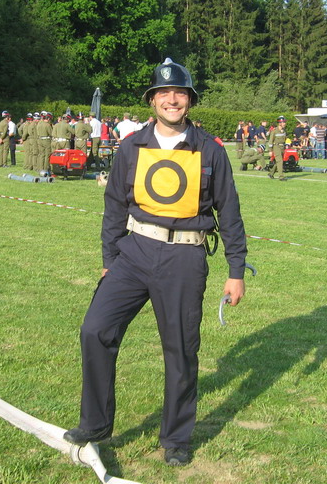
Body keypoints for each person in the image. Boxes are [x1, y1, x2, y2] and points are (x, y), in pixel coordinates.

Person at [63, 58, 247, 467]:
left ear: (190, 101)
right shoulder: (132, 147)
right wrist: (110, 259)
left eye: (180, 94)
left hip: (185, 257)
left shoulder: (210, 150)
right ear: (152, 100)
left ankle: (176, 438)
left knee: (180, 349)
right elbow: (114, 205)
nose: (172, 100)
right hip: (134, 252)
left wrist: (236, 271)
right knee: (95, 330)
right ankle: (95, 423)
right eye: (164, 93)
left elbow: (230, 213)